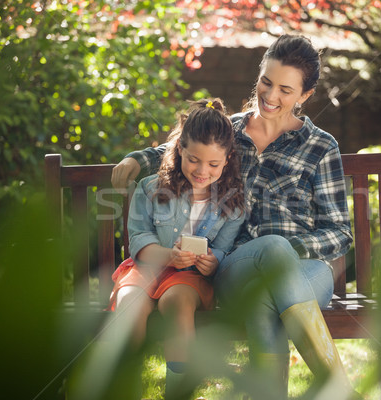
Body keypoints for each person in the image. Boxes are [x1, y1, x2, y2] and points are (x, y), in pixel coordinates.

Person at [112, 34, 357, 398]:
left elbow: (339, 232)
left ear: (305, 96)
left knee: (266, 288)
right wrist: (137, 158)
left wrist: (286, 251)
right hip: (235, 263)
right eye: (266, 82)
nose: (271, 96)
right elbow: (181, 149)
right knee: (263, 272)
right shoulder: (231, 130)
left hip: (307, 269)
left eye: (286, 90)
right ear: (258, 75)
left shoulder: (321, 147)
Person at [108, 98, 245, 399]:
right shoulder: (151, 188)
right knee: (129, 304)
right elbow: (139, 240)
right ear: (180, 148)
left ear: (228, 159)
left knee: (179, 305)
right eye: (194, 159)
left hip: (189, 277)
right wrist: (168, 255)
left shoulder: (232, 206)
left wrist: (213, 261)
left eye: (213, 164)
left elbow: (223, 249)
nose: (202, 171)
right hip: (147, 266)